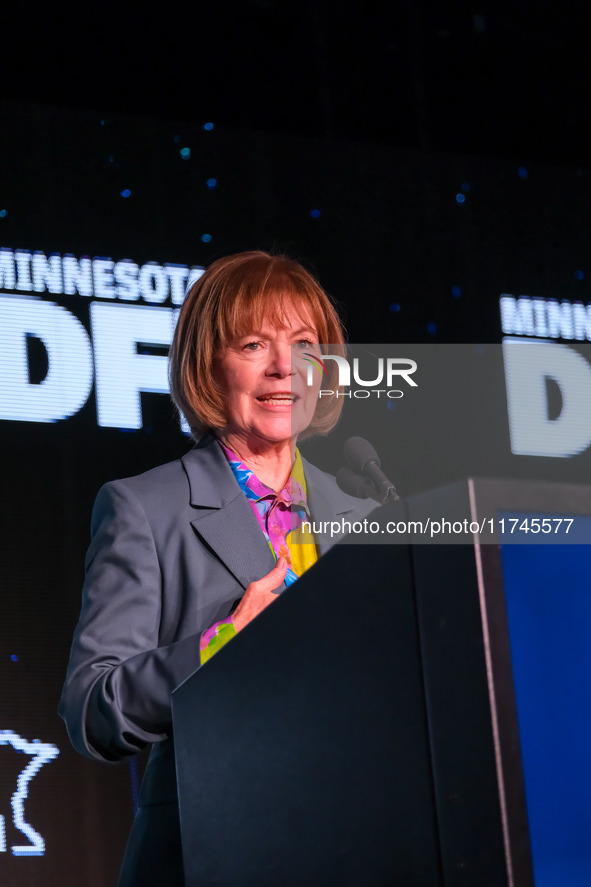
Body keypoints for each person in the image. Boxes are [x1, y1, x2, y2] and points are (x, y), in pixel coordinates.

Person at [59, 250, 374, 886]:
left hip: (362, 844)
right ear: (209, 365)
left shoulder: (367, 514)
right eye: (255, 344)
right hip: (211, 852)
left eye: (305, 345)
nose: (286, 367)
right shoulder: (145, 507)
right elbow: (92, 705)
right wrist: (225, 645)